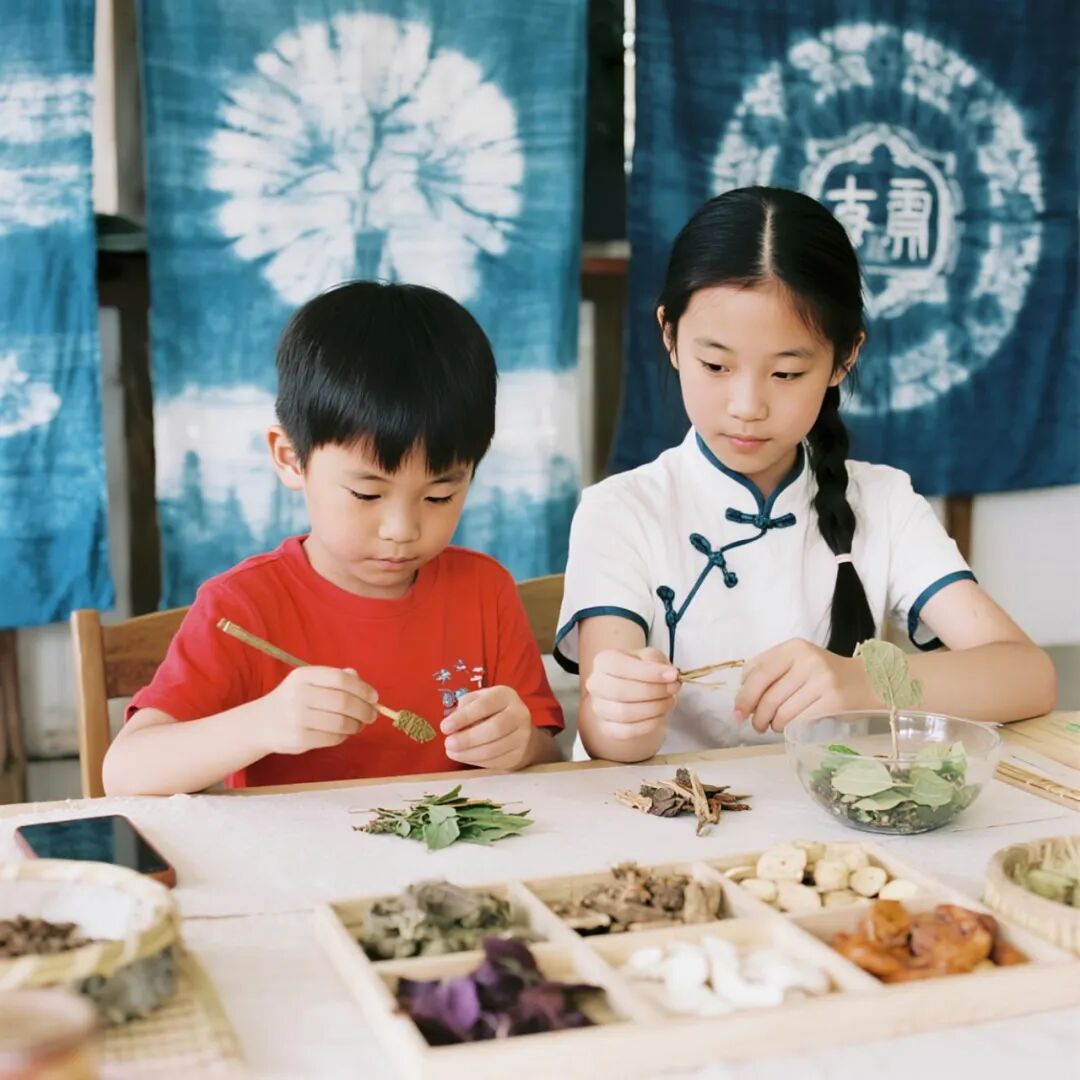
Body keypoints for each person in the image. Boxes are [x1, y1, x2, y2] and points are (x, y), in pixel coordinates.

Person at [555, 187, 1056, 762]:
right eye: (715, 365)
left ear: (844, 359)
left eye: (787, 373)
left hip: (827, 825)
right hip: (664, 822)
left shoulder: (884, 502)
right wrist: (625, 712)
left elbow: (1029, 676)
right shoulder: (621, 509)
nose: (747, 405)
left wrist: (858, 684)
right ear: (669, 336)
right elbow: (606, 739)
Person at [104, 281, 563, 794]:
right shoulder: (241, 607)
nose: (402, 530)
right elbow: (126, 772)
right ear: (289, 457)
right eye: (367, 495)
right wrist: (261, 724)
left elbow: (548, 752)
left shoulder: (485, 591)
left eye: (438, 497)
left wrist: (520, 744)